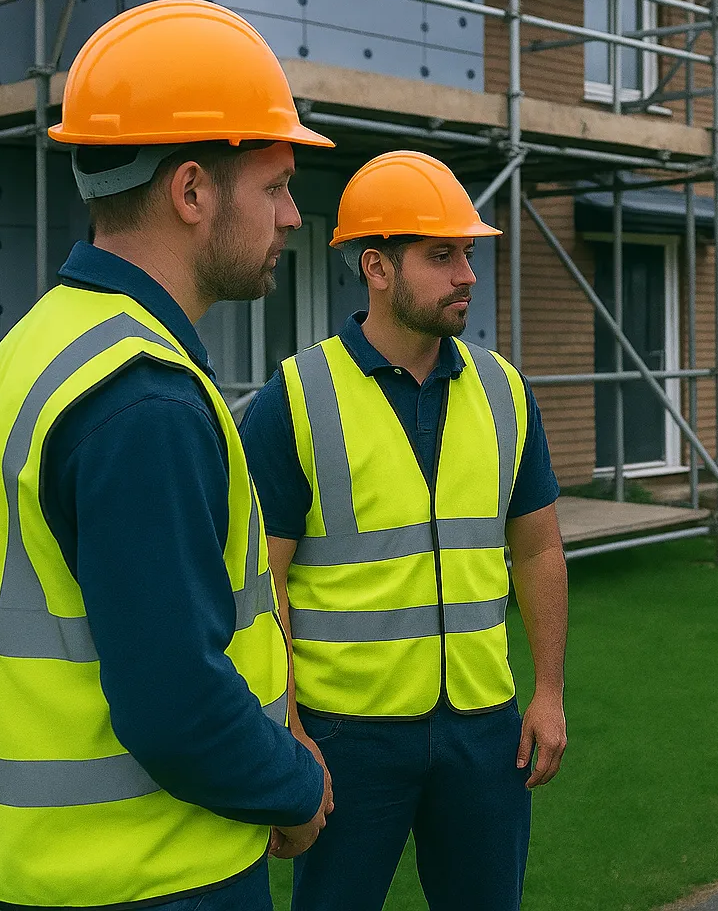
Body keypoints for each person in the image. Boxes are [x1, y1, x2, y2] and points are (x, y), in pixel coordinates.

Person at [0, 0, 335, 909]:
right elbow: (175, 707)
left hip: (43, 867)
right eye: (276, 183)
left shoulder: (40, 342)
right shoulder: (145, 401)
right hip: (154, 874)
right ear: (191, 190)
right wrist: (294, 787)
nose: (295, 215)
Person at [239, 150, 568, 911]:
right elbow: (262, 582)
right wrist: (287, 726)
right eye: (442, 254)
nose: (468, 274)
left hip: (486, 730)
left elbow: (540, 547)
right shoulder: (296, 397)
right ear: (377, 267)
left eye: (469, 253)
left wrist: (547, 692)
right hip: (347, 738)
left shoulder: (505, 391)